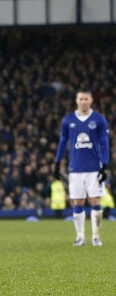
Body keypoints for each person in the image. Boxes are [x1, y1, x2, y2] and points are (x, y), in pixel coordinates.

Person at [54, 89, 110, 246]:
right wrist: (57, 163)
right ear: (76, 100)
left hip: (94, 167)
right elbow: (62, 142)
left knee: (95, 200)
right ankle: (80, 237)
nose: (83, 101)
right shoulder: (68, 120)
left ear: (91, 100)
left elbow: (105, 142)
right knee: (77, 202)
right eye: (81, 98)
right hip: (75, 168)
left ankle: (96, 236)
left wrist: (104, 165)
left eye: (86, 98)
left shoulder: (99, 119)